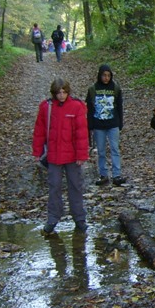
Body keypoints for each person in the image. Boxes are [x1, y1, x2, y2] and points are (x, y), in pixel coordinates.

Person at [32, 78, 90, 234]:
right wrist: (37, 151)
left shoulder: (76, 106)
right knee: (54, 186)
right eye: (58, 93)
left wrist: (81, 155)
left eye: (64, 92)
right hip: (54, 155)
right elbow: (39, 130)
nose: (61, 95)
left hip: (72, 156)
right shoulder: (46, 107)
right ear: (54, 93)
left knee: (75, 186)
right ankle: (53, 218)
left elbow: (82, 133)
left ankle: (79, 218)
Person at [86, 64, 126, 186]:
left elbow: (119, 106)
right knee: (101, 151)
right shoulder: (93, 89)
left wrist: (120, 122)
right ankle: (103, 174)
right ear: (100, 75)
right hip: (98, 124)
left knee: (115, 149)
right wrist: (90, 125)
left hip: (113, 123)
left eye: (108, 75)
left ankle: (116, 175)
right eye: (104, 75)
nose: (106, 78)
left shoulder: (115, 88)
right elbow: (89, 109)